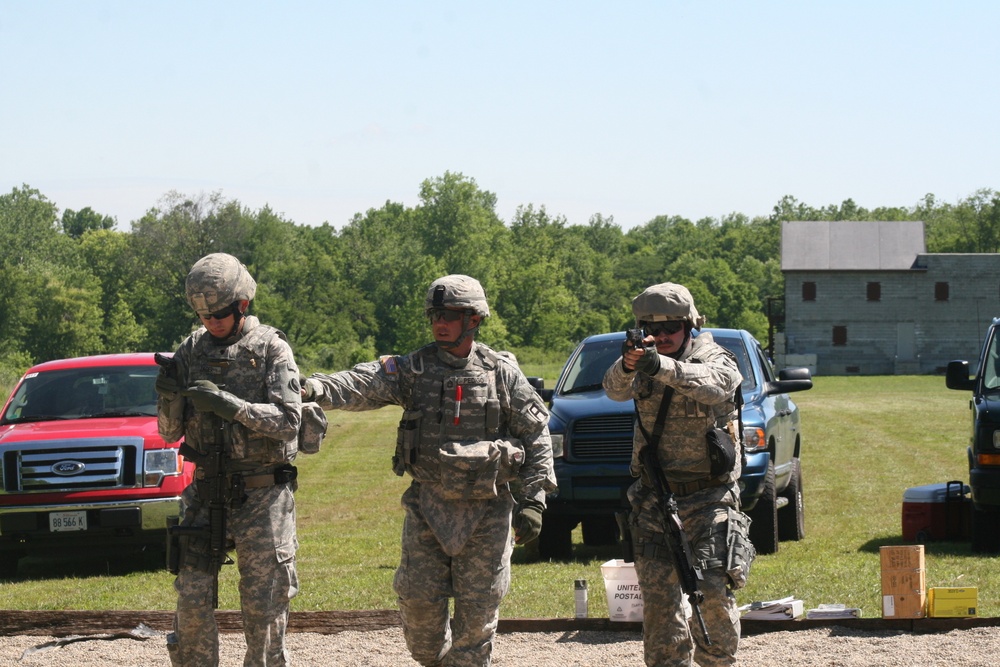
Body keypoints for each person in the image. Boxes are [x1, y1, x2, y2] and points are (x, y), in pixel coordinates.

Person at [302, 274, 556, 667]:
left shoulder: (500, 373)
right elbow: (364, 381)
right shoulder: (413, 369)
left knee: (476, 624)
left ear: (473, 319)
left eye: (450, 314)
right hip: (427, 509)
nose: (440, 322)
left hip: (487, 512)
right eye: (435, 313)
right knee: (419, 619)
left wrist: (533, 501)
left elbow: (537, 434)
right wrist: (315, 388)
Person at [155, 253, 303, 667]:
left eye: (219, 313)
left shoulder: (272, 347)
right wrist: (167, 395)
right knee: (192, 599)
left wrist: (230, 405)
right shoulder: (192, 349)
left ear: (242, 304)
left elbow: (290, 421)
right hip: (205, 492)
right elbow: (169, 433)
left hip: (262, 494)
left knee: (264, 607)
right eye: (202, 314)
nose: (211, 322)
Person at [603, 282, 755, 667]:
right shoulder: (642, 361)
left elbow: (716, 385)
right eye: (652, 330)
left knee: (712, 593)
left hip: (709, 498)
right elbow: (613, 389)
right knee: (658, 606)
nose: (662, 336)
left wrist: (661, 366)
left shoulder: (715, 356)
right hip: (654, 497)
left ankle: (718, 662)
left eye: (671, 327)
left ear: (689, 326)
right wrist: (628, 364)